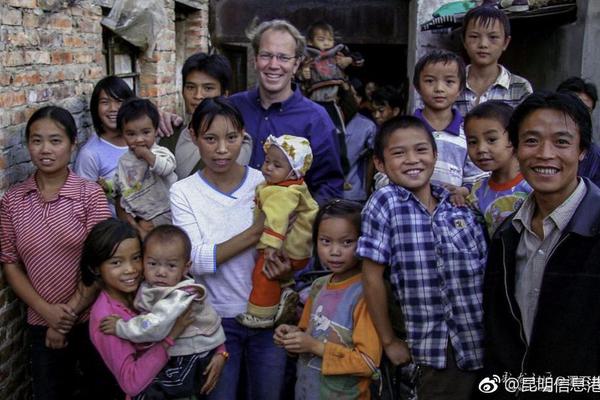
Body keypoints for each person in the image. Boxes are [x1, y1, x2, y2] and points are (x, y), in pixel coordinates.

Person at [358, 116, 488, 399]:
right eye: (398, 153)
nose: (411, 159)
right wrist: (389, 341)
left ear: (435, 155)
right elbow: (371, 277)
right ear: (380, 164)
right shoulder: (385, 202)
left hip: (476, 344)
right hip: (426, 348)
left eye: (420, 150)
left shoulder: (460, 209)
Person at [481, 91, 600, 398]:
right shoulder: (507, 234)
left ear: (582, 150)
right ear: (516, 149)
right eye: (531, 141)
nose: (545, 154)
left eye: (561, 142)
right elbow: (501, 338)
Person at [170, 97, 289, 399]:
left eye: (231, 138)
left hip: (267, 315)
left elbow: (289, 244)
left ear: (243, 137)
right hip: (213, 322)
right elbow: (194, 260)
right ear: (194, 137)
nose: (222, 149)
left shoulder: (265, 184)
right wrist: (256, 232)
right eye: (210, 139)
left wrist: (287, 266)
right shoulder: (183, 192)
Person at [0, 106, 115, 399]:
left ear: (72, 143)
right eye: (36, 141)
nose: (45, 149)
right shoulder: (13, 201)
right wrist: (48, 313)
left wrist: (68, 316)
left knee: (101, 391)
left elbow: (102, 262)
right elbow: (11, 264)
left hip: (94, 318)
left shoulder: (90, 195)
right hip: (41, 323)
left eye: (55, 140)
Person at [99, 224, 228, 398]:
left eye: (171, 266)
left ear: (186, 267)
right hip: (180, 352)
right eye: (153, 264)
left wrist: (120, 327)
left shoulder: (179, 295)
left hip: (193, 354)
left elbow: (155, 324)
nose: (161, 272)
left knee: (158, 390)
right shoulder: (151, 286)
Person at [229, 19, 344, 206]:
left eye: (283, 57)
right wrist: (169, 121)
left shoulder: (316, 119)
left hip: (288, 230)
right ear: (255, 60)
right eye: (266, 55)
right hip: (230, 224)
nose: (274, 65)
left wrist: (302, 218)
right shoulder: (232, 108)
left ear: (297, 64)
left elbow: (329, 186)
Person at [275, 199, 382, 400]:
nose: (335, 251)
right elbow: (308, 333)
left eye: (347, 242)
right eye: (326, 241)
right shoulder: (318, 286)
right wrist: (291, 337)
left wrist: (313, 346)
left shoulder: (365, 293)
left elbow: (367, 363)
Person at [82, 218, 193, 399]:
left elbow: (196, 311)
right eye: (116, 263)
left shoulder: (149, 287)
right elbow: (131, 383)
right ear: (96, 268)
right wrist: (171, 337)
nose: (131, 269)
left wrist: (219, 351)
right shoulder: (106, 317)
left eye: (136, 258)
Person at [237, 134, 319, 328]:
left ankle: (261, 314)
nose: (268, 167)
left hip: (286, 247)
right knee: (274, 276)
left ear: (293, 172)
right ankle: (285, 292)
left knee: (263, 273)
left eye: (277, 165)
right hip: (298, 249)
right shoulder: (291, 186)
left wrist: (271, 247)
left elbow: (277, 221)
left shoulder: (282, 193)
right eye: (267, 161)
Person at [159, 52, 252, 179]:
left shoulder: (239, 142)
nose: (197, 96)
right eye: (190, 87)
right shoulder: (169, 134)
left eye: (208, 88)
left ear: (224, 94)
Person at [413, 50, 487, 191]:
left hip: (453, 208)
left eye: (449, 82)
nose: (439, 89)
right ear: (417, 87)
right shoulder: (405, 130)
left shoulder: (468, 133)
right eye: (429, 81)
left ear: (460, 88)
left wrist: (464, 191)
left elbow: (477, 179)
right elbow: (386, 172)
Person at [463, 100, 532, 237]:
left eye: (491, 139)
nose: (481, 149)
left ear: (513, 138)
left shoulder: (533, 186)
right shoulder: (477, 193)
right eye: (472, 142)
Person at [113, 98, 177, 238]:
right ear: (122, 134)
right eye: (131, 134)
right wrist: (108, 186)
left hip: (164, 210)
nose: (139, 139)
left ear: (155, 130)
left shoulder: (160, 152)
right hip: (139, 212)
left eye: (145, 132)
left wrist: (147, 155)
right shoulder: (124, 160)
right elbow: (121, 183)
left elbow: (166, 168)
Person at [455, 5, 533, 116]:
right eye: (474, 36)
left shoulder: (520, 87)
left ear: (505, 42)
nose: (483, 44)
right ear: (464, 41)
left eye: (493, 37)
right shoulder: (451, 83)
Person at [75, 76, 133, 213]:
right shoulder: (90, 154)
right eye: (105, 102)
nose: (113, 109)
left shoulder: (142, 138)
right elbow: (84, 204)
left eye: (119, 102)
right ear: (96, 108)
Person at [556, 76, 600, 187]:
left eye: (587, 110)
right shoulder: (533, 145)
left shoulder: (594, 156)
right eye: (575, 106)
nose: (580, 114)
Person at [339, 83, 377, 202]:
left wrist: (366, 191)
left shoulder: (367, 126)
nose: (355, 98)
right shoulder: (325, 121)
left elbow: (371, 160)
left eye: (356, 95)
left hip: (355, 192)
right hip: (328, 192)